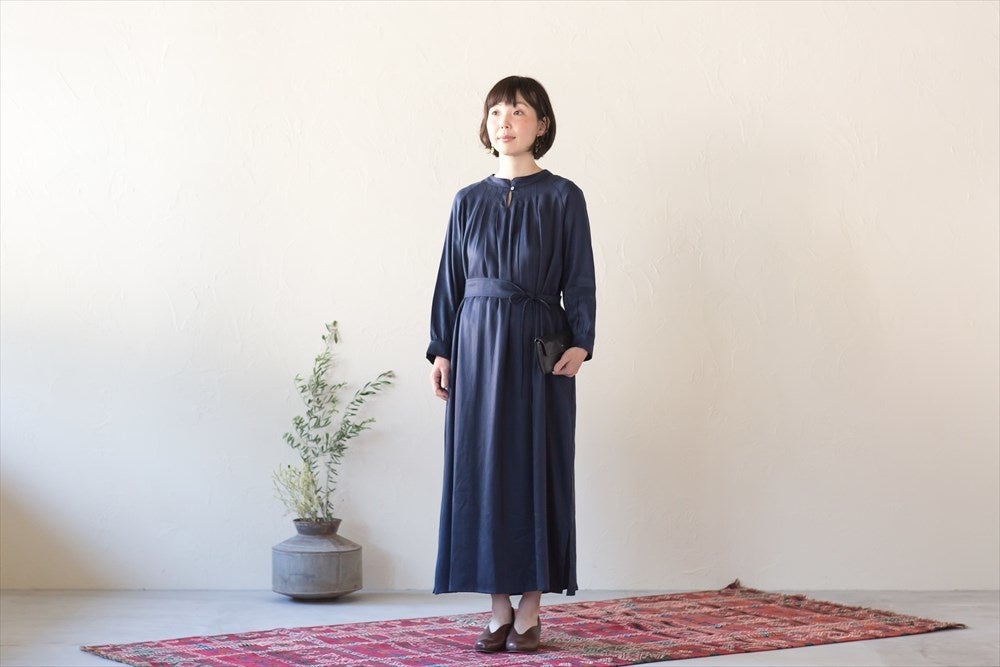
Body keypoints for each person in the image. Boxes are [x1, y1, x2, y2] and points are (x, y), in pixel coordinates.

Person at [426, 75, 596, 654]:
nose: (506, 121)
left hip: (539, 347)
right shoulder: (467, 201)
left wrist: (582, 340)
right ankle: (497, 607)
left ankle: (531, 608)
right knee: (483, 470)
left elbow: (580, 276)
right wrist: (442, 349)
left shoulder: (564, 196)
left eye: (519, 111)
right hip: (475, 348)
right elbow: (450, 280)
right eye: (496, 111)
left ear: (541, 124)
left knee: (538, 468)